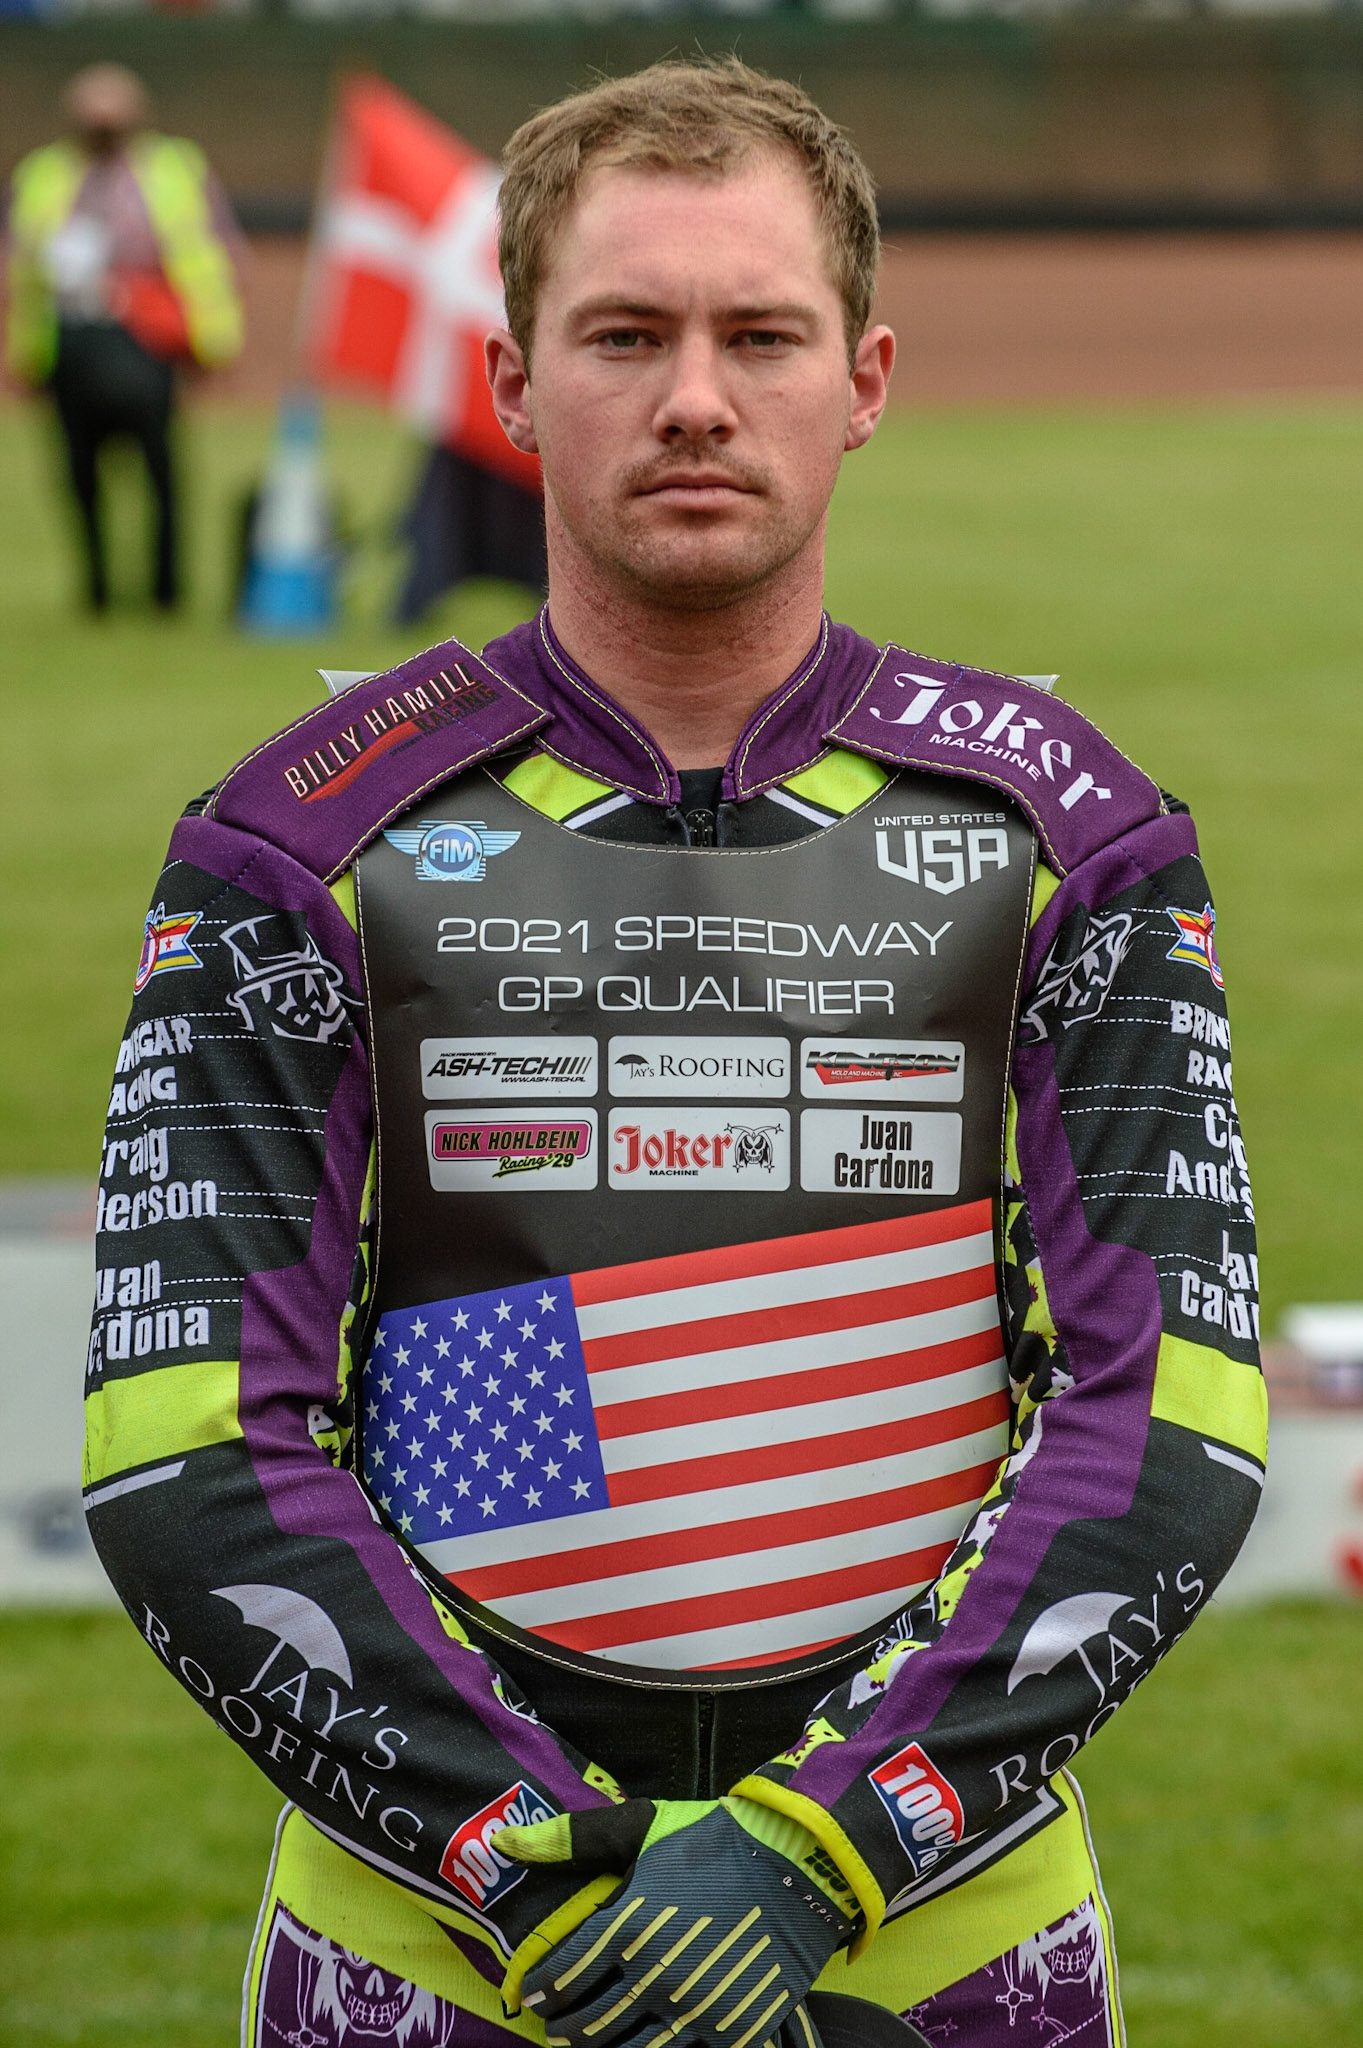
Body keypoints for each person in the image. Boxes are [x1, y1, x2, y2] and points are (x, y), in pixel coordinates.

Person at [84, 58, 1265, 2048]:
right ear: (515, 384)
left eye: (761, 334)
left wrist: (821, 1851)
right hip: (437, 1952)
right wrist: (534, 1872)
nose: (697, 397)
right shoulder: (296, 837)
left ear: (864, 377)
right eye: (624, 334)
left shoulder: (1069, 830)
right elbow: (184, 1452)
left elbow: (1172, 1416)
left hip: (942, 1941)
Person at [5, 62, 244, 611]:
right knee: (78, 472)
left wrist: (208, 340)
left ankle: (165, 591)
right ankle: (97, 590)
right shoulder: (43, 174)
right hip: (68, 338)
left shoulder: (174, 169)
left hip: (145, 334)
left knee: (160, 469)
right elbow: (17, 264)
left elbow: (217, 253)